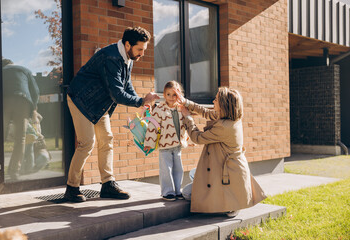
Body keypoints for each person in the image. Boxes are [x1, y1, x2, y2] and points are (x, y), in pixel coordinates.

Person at [65, 26, 159, 202]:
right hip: (80, 100)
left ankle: (107, 184)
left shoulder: (127, 58)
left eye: (144, 50)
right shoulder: (111, 57)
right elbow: (116, 93)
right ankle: (72, 187)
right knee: (87, 142)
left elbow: (126, 85)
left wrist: (141, 101)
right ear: (128, 44)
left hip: (99, 104)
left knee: (107, 139)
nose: (142, 54)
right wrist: (140, 101)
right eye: (140, 49)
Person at [175, 87, 266, 217]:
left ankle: (232, 204)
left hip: (228, 173)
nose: (213, 101)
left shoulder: (224, 127)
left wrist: (188, 117)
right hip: (228, 168)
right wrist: (186, 102)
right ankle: (228, 200)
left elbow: (198, 138)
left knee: (187, 194)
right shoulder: (230, 118)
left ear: (223, 105)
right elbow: (205, 112)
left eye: (216, 99)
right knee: (193, 174)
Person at [144, 81, 189, 201]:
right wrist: (149, 143)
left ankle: (177, 190)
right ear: (164, 95)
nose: (171, 98)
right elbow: (152, 127)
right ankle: (167, 191)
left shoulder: (181, 109)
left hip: (177, 145)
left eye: (174, 95)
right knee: (166, 169)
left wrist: (188, 138)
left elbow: (186, 125)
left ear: (179, 95)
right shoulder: (159, 110)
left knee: (178, 169)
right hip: (165, 145)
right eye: (168, 94)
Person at [2, 59, 40, 181]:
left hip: (5, 100)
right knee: (21, 138)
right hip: (23, 102)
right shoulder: (25, 70)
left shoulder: (1, 71)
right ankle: (14, 171)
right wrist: (34, 107)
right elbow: (35, 91)